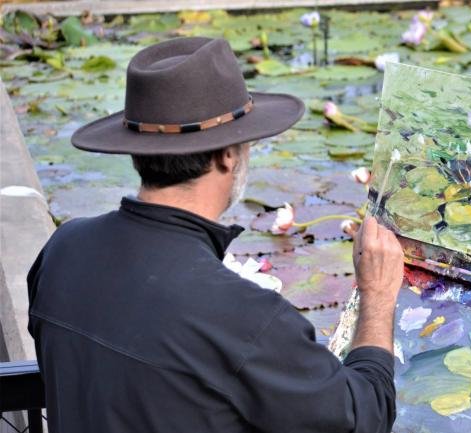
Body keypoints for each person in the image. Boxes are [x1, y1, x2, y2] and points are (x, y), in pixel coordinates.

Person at [26, 37, 404, 433]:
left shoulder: (64, 249)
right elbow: (366, 417)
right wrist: (376, 295)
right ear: (228, 155)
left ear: (137, 150)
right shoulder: (244, 317)